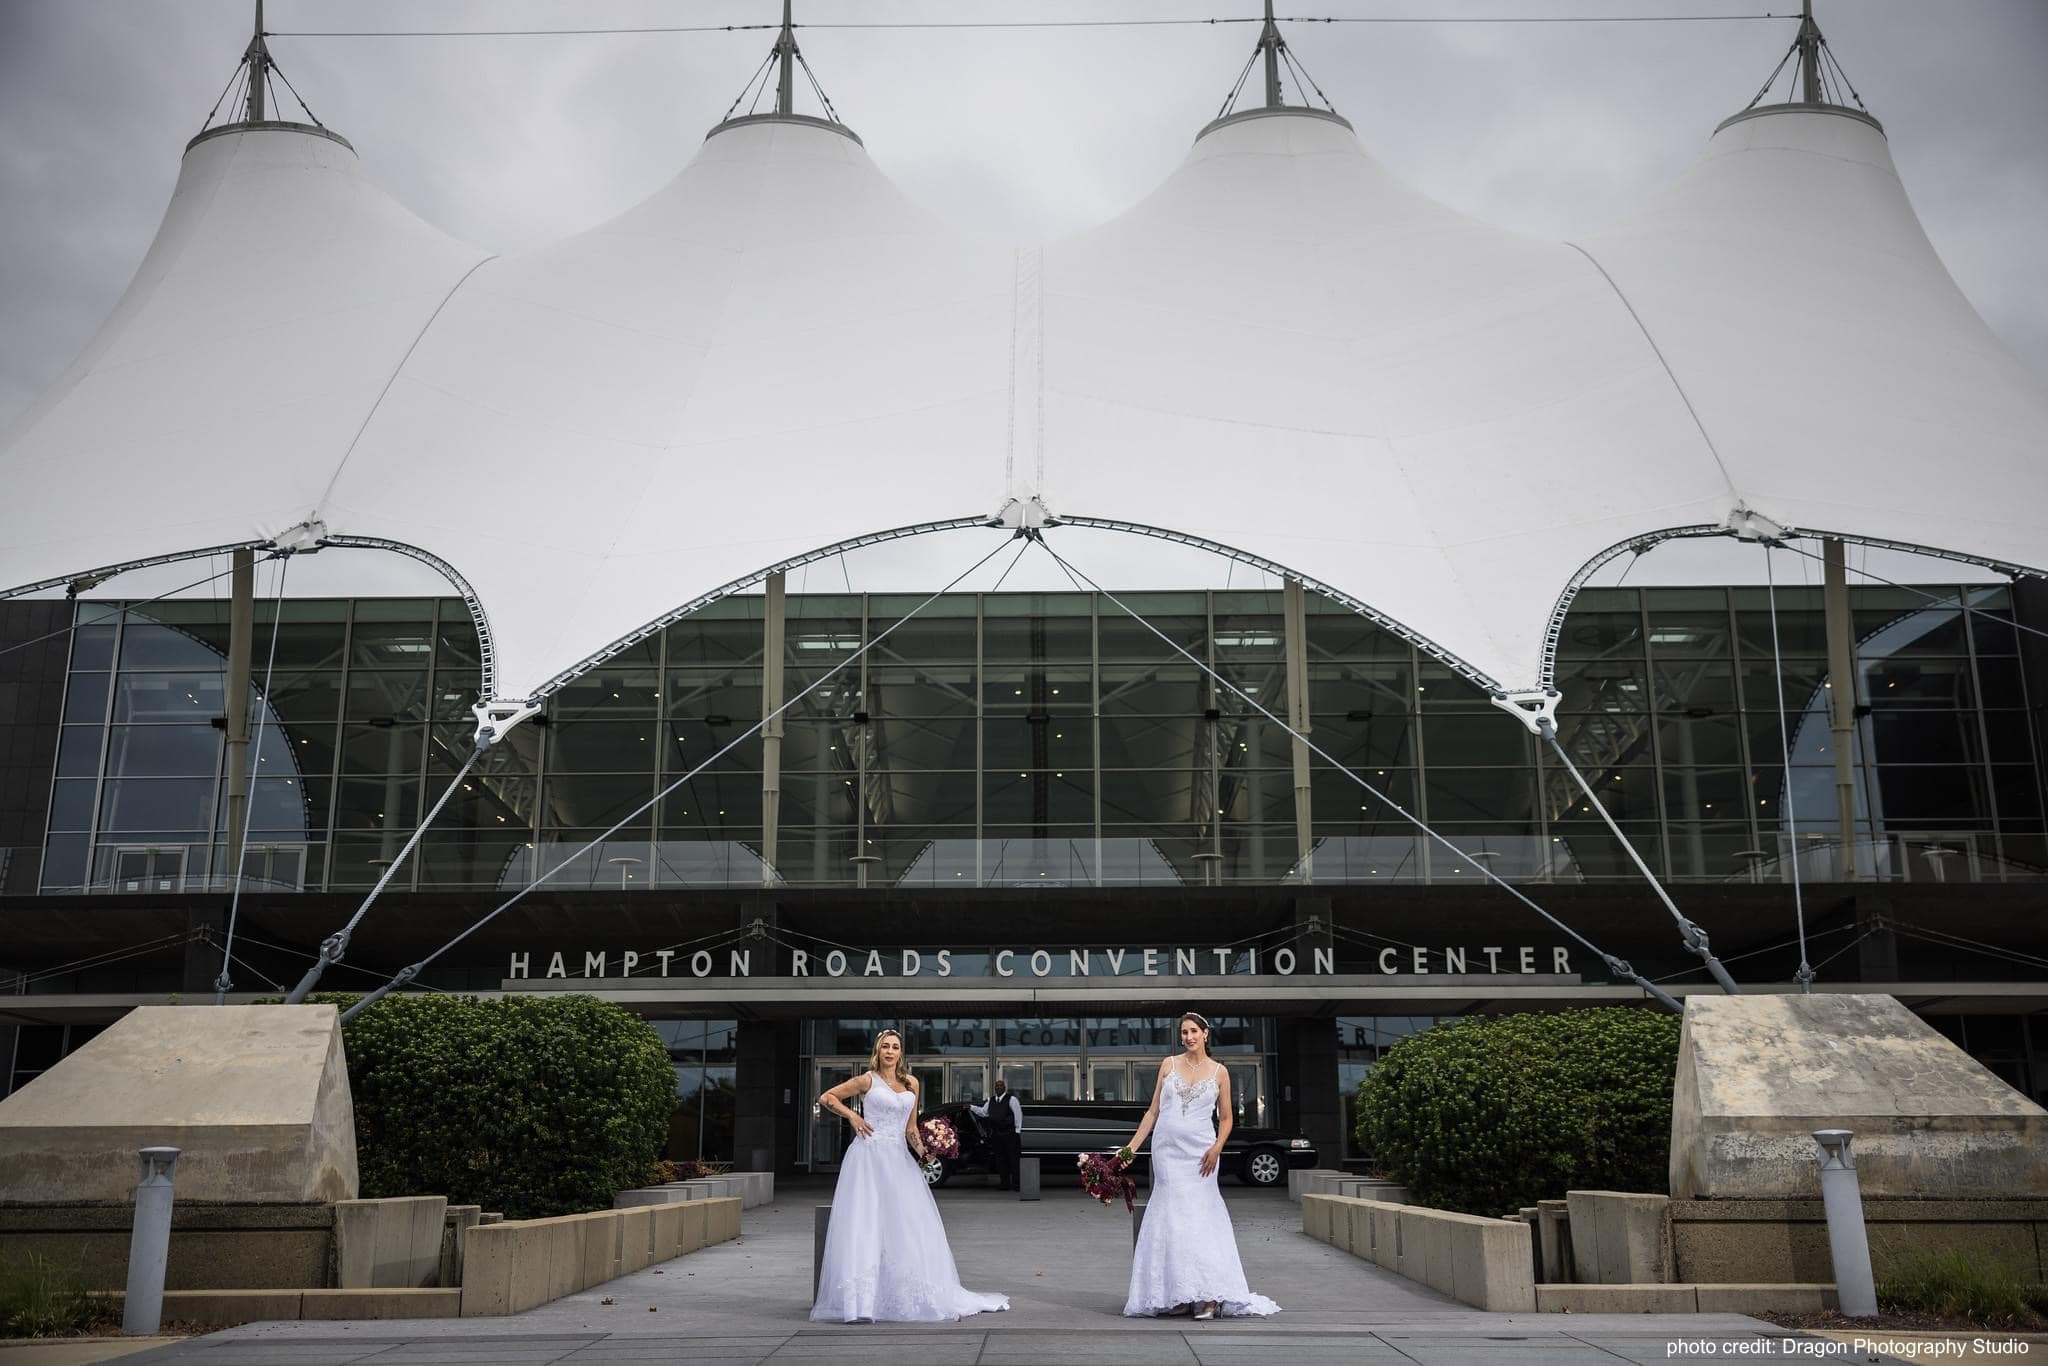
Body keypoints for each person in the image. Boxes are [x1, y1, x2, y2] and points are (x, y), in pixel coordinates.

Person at [811, 1029, 1010, 1323]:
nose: (890, 1052)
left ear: (901, 1052)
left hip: (898, 1158)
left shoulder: (911, 1083)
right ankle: (862, 1303)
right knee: (867, 1223)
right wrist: (852, 1116)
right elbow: (827, 1097)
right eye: (885, 1047)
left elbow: (911, 1128)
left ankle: (907, 1293)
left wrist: (925, 1153)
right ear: (877, 1051)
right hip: (868, 1158)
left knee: (906, 1223)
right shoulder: (866, 1080)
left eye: (895, 1047)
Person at [1120, 1011, 1280, 1320]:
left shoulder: (1220, 1072)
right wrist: (1130, 1150)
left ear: (1206, 1034)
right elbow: (1152, 1112)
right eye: (1184, 1032)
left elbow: (1227, 1118)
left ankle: (1208, 1296)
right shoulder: (1168, 1065)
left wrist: (1217, 1148)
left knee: (1199, 1218)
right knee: (1171, 1219)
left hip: (1201, 1155)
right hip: (1167, 1154)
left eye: (1194, 1031)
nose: (1189, 1037)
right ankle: (1179, 1294)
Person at [969, 1077, 1025, 1190]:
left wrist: (1017, 1131)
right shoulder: (991, 1100)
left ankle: (1017, 1184)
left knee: (1013, 1160)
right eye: (997, 1086)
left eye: (1001, 1086)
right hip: (997, 1135)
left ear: (1004, 1088)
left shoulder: (1012, 1099)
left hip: (1010, 1134)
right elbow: (983, 1112)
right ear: (995, 1088)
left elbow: (1018, 1115)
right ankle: (1004, 1184)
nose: (998, 1088)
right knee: (1000, 1160)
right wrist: (971, 1107)